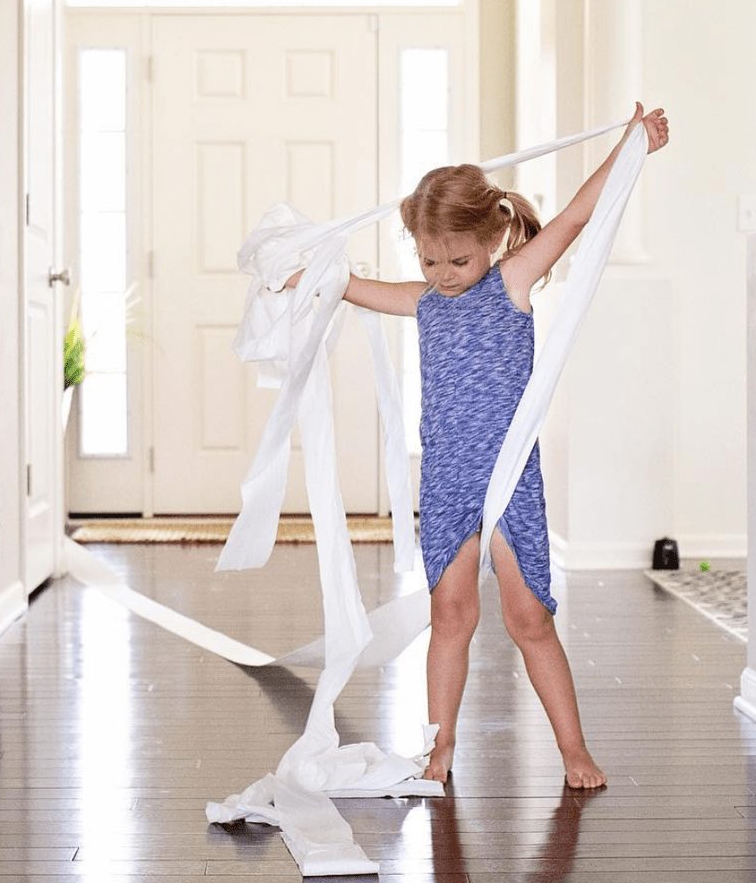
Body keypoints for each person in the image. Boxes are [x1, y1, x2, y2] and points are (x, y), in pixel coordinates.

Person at [285, 102, 669, 788]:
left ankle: (574, 749)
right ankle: (440, 747)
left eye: (457, 258)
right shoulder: (425, 300)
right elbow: (346, 287)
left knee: (530, 618)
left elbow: (578, 217)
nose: (443, 272)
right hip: (448, 485)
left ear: (493, 237)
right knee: (450, 615)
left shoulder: (512, 282)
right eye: (429, 258)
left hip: (508, 480)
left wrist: (628, 146)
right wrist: (299, 280)